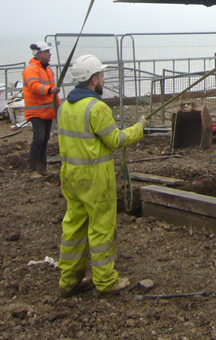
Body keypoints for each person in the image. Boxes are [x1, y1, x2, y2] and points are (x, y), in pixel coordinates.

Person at [56, 54, 147, 298]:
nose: (103, 80)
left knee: (74, 226)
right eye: (102, 76)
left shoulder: (64, 107)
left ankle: (69, 281)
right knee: (101, 227)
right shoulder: (97, 108)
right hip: (95, 177)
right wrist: (139, 127)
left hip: (70, 176)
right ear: (94, 78)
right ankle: (105, 281)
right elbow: (115, 139)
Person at [22, 41, 61, 178]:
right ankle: (32, 169)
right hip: (36, 112)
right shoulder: (31, 69)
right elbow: (34, 86)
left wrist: (59, 103)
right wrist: (50, 90)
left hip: (47, 112)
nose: (50, 54)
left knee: (44, 140)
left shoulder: (47, 69)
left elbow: (53, 89)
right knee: (38, 139)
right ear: (39, 54)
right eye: (47, 52)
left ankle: (42, 168)